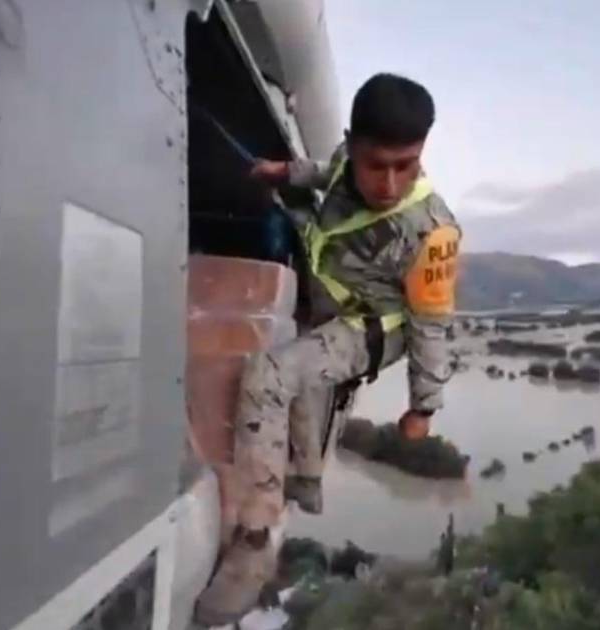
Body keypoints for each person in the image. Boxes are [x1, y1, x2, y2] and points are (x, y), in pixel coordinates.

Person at [194, 72, 462, 625]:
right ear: (353, 143)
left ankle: (255, 541)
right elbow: (328, 171)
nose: (389, 183)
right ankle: (308, 481)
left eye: (406, 165)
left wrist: (423, 407)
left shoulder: (431, 233)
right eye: (376, 165)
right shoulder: (345, 161)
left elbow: (432, 325)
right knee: (302, 376)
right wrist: (285, 172)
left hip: (376, 325)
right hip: (332, 297)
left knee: (270, 375)